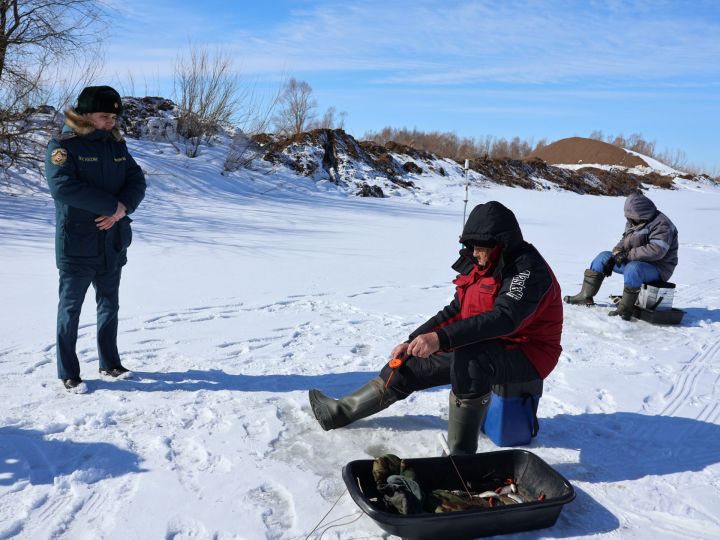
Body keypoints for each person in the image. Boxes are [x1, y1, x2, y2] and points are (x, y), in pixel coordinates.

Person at [308, 201, 563, 455]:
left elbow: (505, 318)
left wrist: (441, 339)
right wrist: (415, 340)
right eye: (471, 246)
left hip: (529, 352)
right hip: (482, 340)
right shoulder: (482, 263)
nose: (474, 253)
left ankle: (460, 460)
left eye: (480, 247)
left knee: (470, 361)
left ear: (501, 243)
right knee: (409, 364)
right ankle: (339, 412)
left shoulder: (527, 270)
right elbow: (456, 309)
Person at [45, 86, 146, 392]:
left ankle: (110, 362)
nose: (110, 122)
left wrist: (121, 209)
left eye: (114, 117)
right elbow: (62, 187)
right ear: (86, 114)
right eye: (104, 116)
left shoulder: (116, 146)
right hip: (78, 243)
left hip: (112, 241)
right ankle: (68, 372)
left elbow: (136, 179)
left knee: (109, 305)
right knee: (70, 309)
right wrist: (110, 206)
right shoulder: (64, 146)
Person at [564, 191, 678, 320]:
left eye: (632, 216)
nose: (629, 220)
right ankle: (585, 296)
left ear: (642, 213)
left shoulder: (662, 224)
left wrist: (627, 255)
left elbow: (656, 250)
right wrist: (616, 253)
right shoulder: (634, 221)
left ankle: (625, 309)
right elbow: (625, 240)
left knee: (633, 268)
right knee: (603, 257)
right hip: (635, 260)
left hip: (658, 269)